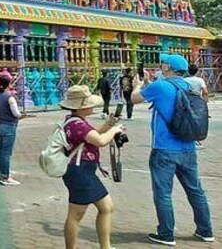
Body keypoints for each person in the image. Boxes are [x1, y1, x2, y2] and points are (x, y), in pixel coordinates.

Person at [130, 54, 214, 245]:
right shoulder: (188, 86)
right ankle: (206, 231)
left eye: (163, 62)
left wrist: (138, 85)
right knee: (195, 190)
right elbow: (164, 93)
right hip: (188, 147)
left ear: (168, 67)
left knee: (163, 193)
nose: (161, 64)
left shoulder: (161, 86)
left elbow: (134, 98)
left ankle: (166, 234)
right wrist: (149, 82)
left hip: (164, 149)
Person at [60, 85, 124, 249]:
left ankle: (105, 246)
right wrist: (114, 130)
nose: (92, 106)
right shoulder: (77, 124)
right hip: (80, 172)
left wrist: (108, 124)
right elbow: (100, 140)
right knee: (76, 214)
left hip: (83, 170)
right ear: (81, 106)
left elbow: (93, 135)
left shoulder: (75, 121)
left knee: (106, 207)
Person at [0, 74, 22, 185]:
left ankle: (1, 174)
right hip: (9, 125)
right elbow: (16, 113)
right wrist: (21, 115)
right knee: (6, 153)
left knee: (1, 151)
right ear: (9, 84)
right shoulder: (10, 97)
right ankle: (5, 176)